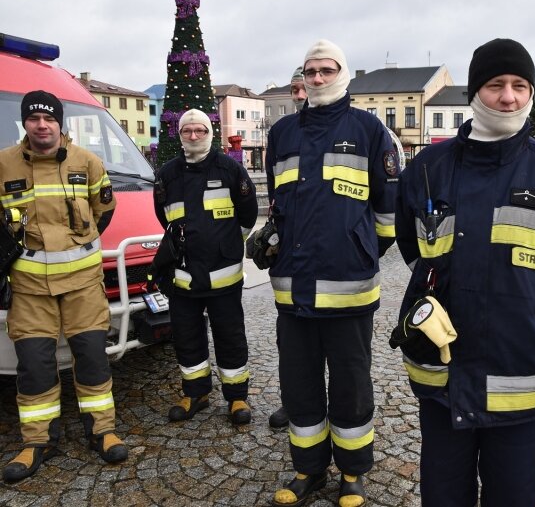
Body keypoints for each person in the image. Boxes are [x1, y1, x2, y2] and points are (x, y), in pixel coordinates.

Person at [394, 38, 535, 507]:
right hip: (442, 370)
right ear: (474, 92)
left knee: (512, 497)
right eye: (496, 84)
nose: (509, 97)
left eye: (521, 85)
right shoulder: (425, 170)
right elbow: (410, 248)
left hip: (518, 368)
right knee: (443, 494)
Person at [263, 40, 398, 507]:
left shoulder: (369, 130)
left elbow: (387, 214)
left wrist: (358, 250)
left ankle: (353, 472)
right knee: (298, 387)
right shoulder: (281, 134)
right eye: (310, 71)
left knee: (351, 386)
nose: (317, 79)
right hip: (292, 291)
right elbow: (279, 208)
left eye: (326, 70)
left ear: (343, 75)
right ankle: (309, 469)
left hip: (350, 291)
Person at [0, 91, 128, 482]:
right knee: (35, 367)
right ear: (25, 123)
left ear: (60, 123)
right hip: (29, 288)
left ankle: (102, 431)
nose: (42, 125)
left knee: (92, 359)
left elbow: (103, 210)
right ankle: (37, 441)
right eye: (34, 118)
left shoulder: (87, 162)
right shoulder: (3, 164)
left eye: (49, 118)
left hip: (83, 284)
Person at [151, 108, 258, 426]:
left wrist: (224, 246)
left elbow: (248, 215)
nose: (194, 136)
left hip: (224, 275)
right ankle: (195, 392)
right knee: (186, 336)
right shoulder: (168, 175)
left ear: (210, 133)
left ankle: (237, 396)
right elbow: (164, 217)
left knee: (230, 335)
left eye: (199, 130)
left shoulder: (229, 169)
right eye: (187, 131)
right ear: (180, 135)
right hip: (183, 276)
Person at [267, 65, 309, 431]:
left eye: (302, 89)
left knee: (340, 353)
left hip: (336, 265)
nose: (298, 96)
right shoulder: (280, 133)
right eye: (293, 90)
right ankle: (292, 402)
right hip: (291, 263)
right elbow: (274, 194)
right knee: (291, 347)